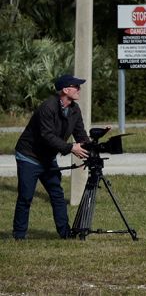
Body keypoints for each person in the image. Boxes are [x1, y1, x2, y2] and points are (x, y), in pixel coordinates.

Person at [12, 74, 91, 239]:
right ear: (65, 89)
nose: (79, 89)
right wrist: (70, 148)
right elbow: (47, 135)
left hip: (48, 158)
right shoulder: (47, 107)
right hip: (29, 156)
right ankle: (19, 236)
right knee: (26, 197)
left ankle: (65, 234)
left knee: (57, 195)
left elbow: (80, 134)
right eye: (76, 86)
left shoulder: (74, 109)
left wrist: (90, 146)